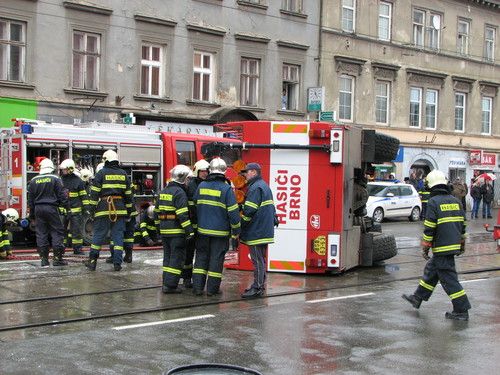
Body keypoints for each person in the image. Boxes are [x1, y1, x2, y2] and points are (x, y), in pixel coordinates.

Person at [402, 169, 471, 321]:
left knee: (449, 279)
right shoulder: (456, 200)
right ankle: (417, 297)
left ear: (431, 186)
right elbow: (463, 224)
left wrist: (426, 246)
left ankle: (461, 309)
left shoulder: (433, 202)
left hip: (441, 247)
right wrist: (462, 243)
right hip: (453, 245)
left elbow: (429, 227)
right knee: (432, 271)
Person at [192, 158, 241, 296]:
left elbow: (195, 206)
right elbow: (233, 213)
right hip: (220, 234)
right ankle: (212, 290)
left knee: (201, 259)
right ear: (224, 172)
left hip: (202, 232)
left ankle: (197, 288)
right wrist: (236, 230)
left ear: (210, 171)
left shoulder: (201, 186)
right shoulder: (226, 189)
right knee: (216, 260)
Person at [85, 150, 133, 272]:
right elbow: (128, 195)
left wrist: (91, 210)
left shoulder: (101, 173)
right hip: (120, 210)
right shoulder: (124, 174)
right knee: (118, 237)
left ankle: (92, 262)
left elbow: (94, 193)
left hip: (103, 209)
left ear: (106, 160)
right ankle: (117, 263)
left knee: (98, 236)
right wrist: (129, 211)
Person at [239, 163, 276, 299]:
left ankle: (257, 287)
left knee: (257, 260)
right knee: (260, 259)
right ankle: (259, 285)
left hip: (256, 230)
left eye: (247, 172)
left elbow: (249, 210)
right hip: (263, 229)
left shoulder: (255, 188)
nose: (245, 175)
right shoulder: (264, 186)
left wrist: (241, 225)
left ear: (253, 172)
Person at [156, 165, 194, 293]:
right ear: (183, 178)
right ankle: (171, 286)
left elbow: (156, 212)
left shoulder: (163, 191)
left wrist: (158, 229)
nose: (189, 181)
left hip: (165, 232)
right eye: (188, 179)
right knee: (176, 259)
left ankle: (166, 282)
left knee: (167, 258)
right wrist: (190, 231)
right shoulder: (180, 193)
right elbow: (183, 215)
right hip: (177, 232)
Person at [28, 158, 70, 267]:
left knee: (41, 234)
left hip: (38, 209)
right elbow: (62, 195)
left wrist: (32, 215)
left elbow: (30, 200)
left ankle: (44, 260)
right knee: (57, 232)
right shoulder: (55, 178)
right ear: (51, 168)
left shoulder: (33, 180)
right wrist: (67, 208)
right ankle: (57, 259)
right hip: (51, 208)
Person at [183, 159, 210, 288]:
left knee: (201, 254)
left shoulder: (207, 184)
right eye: (202, 171)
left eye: (206, 171)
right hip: (193, 225)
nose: (205, 174)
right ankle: (187, 278)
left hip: (203, 225)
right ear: (196, 172)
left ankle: (198, 280)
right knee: (188, 254)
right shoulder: (192, 185)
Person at [59, 159, 89, 255]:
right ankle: (60, 249)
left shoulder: (78, 181)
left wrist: (86, 208)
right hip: (63, 211)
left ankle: (77, 249)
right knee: (61, 231)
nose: (63, 171)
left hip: (76, 211)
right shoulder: (60, 180)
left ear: (70, 169)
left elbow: (83, 196)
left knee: (77, 231)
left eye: (64, 169)